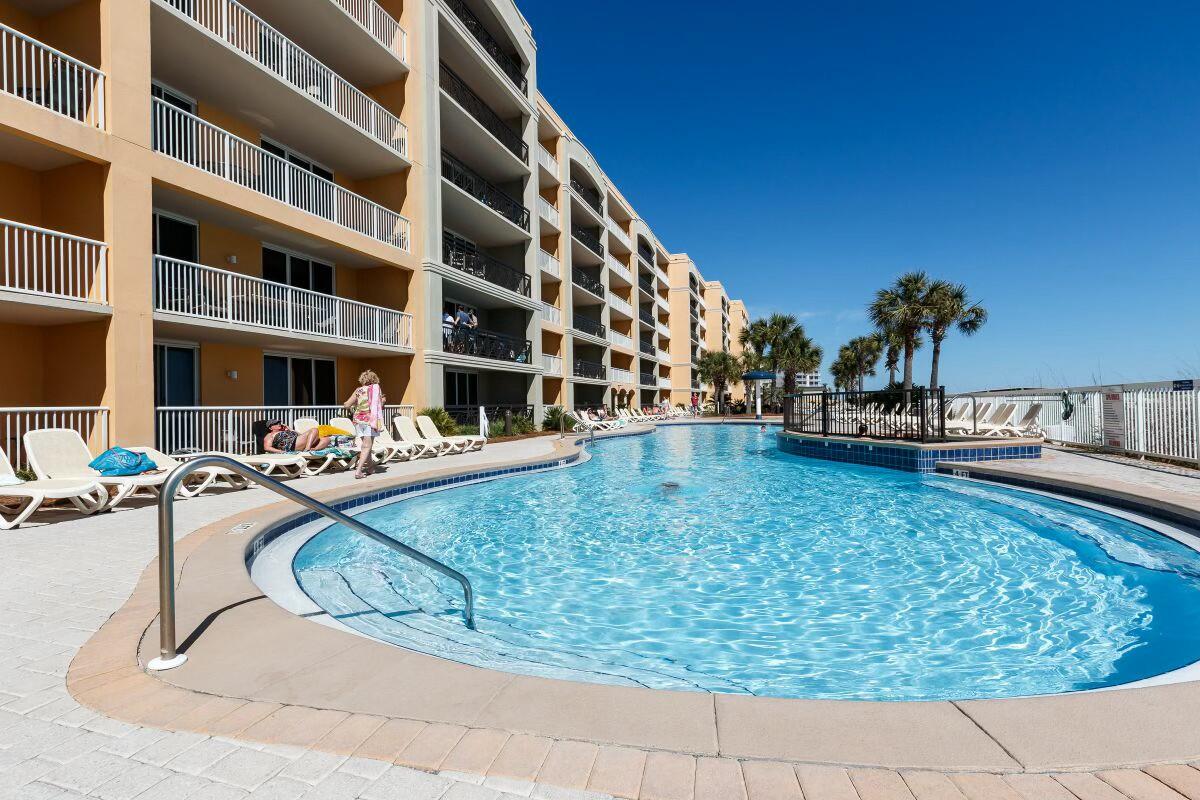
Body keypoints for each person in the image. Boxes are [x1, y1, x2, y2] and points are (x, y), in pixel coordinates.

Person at [344, 370, 386, 479]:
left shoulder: (358, 390)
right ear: (374, 379)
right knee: (367, 446)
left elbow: (347, 405)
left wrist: (356, 406)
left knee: (366, 446)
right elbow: (380, 406)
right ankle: (358, 471)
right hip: (369, 420)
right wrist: (383, 401)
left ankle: (371, 468)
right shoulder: (376, 389)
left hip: (358, 420)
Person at [263, 422, 329, 454]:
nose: (278, 424)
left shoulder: (287, 431)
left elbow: (301, 435)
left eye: (279, 423)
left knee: (326, 439)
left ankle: (313, 450)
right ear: (270, 428)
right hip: (291, 445)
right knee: (314, 430)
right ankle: (307, 449)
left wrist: (291, 430)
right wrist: (280, 451)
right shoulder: (270, 435)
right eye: (275, 423)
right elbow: (267, 447)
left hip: (299, 442)